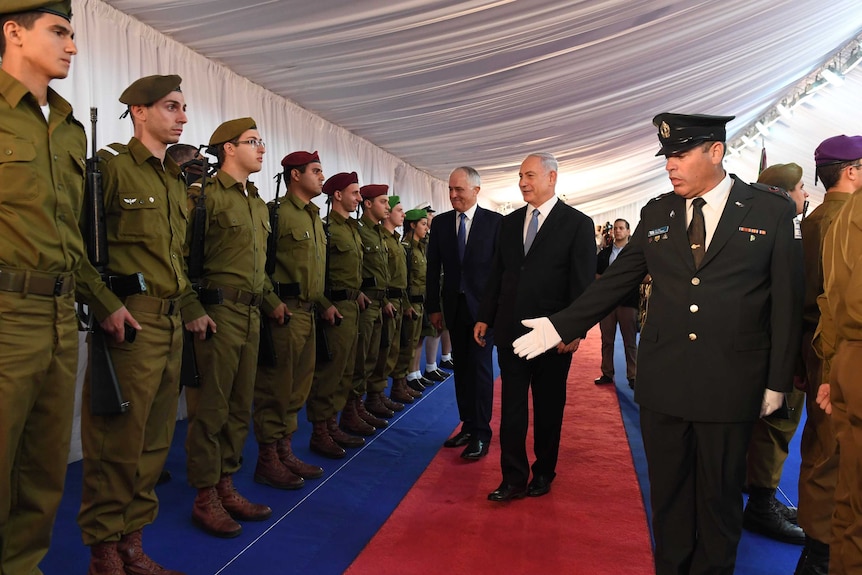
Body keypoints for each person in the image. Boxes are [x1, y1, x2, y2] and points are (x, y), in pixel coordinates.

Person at [511, 114, 803, 574]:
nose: (670, 165)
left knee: (719, 501)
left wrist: (778, 379)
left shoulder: (770, 211)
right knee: (667, 498)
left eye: (680, 155)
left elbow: (787, 300)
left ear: (715, 152)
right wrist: (559, 326)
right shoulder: (659, 212)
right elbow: (616, 282)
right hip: (664, 382)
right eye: (667, 156)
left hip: (730, 384)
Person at [75, 74, 216, 575]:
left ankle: (133, 543)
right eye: (172, 107)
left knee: (154, 444)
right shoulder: (110, 168)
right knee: (117, 444)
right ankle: (105, 552)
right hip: (130, 325)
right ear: (139, 111)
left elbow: (173, 263)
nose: (182, 116)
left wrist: (192, 310)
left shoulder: (173, 180)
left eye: (183, 107)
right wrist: (104, 303)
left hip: (170, 323)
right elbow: (76, 246)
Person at [0, 3, 92, 572]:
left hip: (61, 314)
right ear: (12, 31)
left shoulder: (67, 127)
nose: (72, 47)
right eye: (59, 32)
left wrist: (99, 303)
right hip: (6, 313)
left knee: (43, 470)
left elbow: (72, 236)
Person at [476, 152, 596, 499]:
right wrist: (485, 315)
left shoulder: (577, 223)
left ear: (551, 178)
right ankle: (512, 478)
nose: (523, 182)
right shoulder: (509, 223)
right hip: (511, 331)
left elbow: (583, 284)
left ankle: (544, 471)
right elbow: (498, 273)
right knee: (511, 408)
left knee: (547, 407)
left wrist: (574, 330)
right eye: (520, 176)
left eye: (529, 175)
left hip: (552, 336)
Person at [184, 117, 279, 537]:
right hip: (217, 313)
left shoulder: (256, 203)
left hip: (252, 315)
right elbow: (179, 257)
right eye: (252, 142)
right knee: (212, 408)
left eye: (261, 141)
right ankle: (205, 496)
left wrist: (272, 303)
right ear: (227, 148)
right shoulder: (202, 196)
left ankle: (226, 483)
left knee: (241, 406)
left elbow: (260, 268)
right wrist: (190, 308)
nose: (261, 148)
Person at [742, 162, 808, 545]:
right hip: (779, 347)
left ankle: (759, 496)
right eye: (799, 188)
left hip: (765, 346)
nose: (805, 194)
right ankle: (762, 504)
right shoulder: (787, 231)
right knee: (777, 426)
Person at [253, 150, 328, 483]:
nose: (321, 176)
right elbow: (257, 263)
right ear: (295, 175)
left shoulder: (313, 216)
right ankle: (268, 459)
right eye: (315, 170)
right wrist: (271, 302)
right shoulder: (277, 213)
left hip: (308, 314)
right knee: (276, 389)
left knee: (298, 388)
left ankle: (285, 451)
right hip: (284, 313)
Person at [809, 136, 862, 575]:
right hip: (841, 352)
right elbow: (839, 300)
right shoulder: (848, 218)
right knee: (836, 461)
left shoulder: (824, 218)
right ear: (852, 170)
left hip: (830, 353)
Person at [426, 167, 502, 460]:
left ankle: (482, 433)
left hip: (483, 312)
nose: (453, 195)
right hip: (454, 310)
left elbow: (500, 271)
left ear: (476, 190)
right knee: (462, 371)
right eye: (450, 189)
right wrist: (433, 306)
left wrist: (495, 310)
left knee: (481, 371)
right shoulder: (442, 223)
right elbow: (433, 268)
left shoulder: (496, 223)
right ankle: (468, 426)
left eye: (459, 189)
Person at [307, 171, 370, 455]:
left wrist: (357, 293)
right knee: (329, 373)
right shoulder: (325, 228)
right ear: (337, 195)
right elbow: (317, 274)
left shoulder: (351, 229)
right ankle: (320, 431)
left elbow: (350, 273)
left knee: (347, 370)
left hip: (351, 306)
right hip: (332, 308)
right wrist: (323, 305)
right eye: (354, 193)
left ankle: (334, 424)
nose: (359, 198)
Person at [352, 184, 400, 423]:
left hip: (380, 302)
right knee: (361, 359)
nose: (388, 207)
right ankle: (354, 408)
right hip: (364, 303)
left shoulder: (380, 234)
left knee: (375, 356)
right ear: (368, 204)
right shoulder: (359, 230)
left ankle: (371, 398)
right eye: (383, 201)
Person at [375, 196, 417, 404]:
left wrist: (407, 304)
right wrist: (384, 302)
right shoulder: (381, 238)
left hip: (399, 300)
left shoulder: (396, 241)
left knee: (399, 348)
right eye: (399, 210)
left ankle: (397, 386)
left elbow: (403, 279)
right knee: (384, 352)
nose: (403, 214)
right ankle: (377, 395)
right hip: (387, 300)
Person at [594, 218, 639, 389]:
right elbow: (596, 276)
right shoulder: (604, 254)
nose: (618, 231)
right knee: (607, 340)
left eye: (621, 228)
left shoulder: (636, 253)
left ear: (628, 231)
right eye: (616, 228)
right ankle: (607, 373)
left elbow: (646, 276)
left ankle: (633, 376)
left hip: (628, 303)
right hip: (607, 304)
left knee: (630, 342)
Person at [397, 209, 432, 391]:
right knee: (407, 343)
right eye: (423, 224)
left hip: (421, 302)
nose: (426, 228)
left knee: (417, 339)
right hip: (411, 303)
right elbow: (403, 280)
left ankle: (415, 372)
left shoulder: (420, 248)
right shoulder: (406, 248)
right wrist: (407, 304)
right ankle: (407, 377)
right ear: (412, 225)